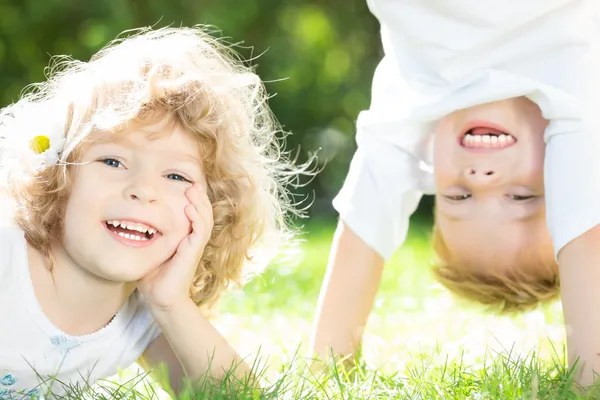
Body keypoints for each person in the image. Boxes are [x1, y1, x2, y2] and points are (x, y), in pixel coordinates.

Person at [310, 0, 600, 385]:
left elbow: (366, 220)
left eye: (458, 197)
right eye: (521, 197)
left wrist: (326, 372)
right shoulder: (572, 85)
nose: (480, 177)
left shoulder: (414, 103)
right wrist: (588, 379)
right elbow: (583, 225)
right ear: (569, 179)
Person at [0, 26, 300, 397]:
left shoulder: (145, 314)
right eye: (112, 161)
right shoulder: (7, 256)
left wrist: (173, 305)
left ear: (215, 208)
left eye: (176, 175)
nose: (143, 190)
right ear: (57, 177)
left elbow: (235, 396)